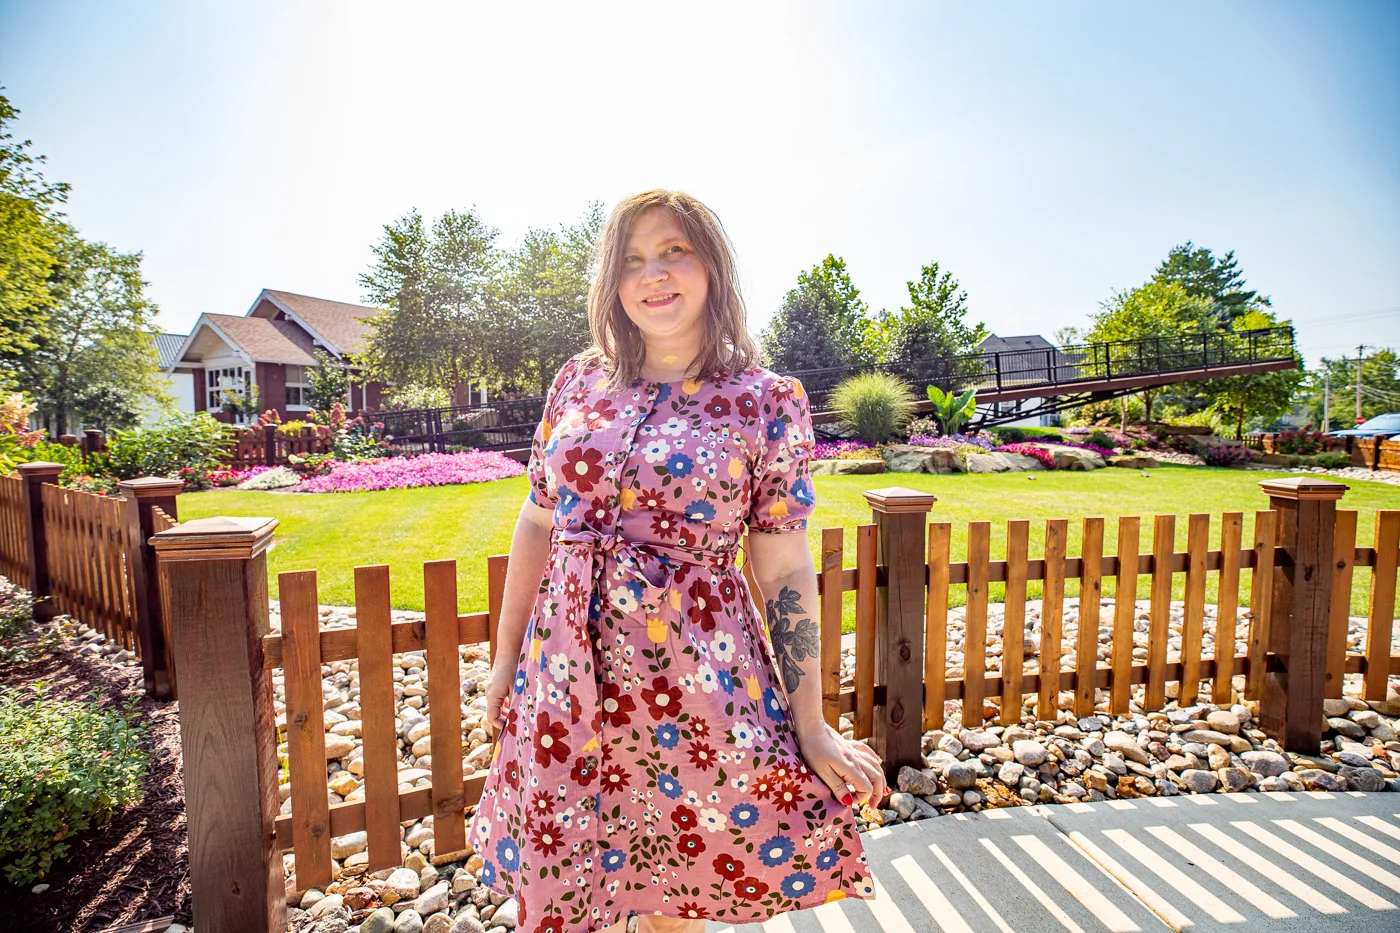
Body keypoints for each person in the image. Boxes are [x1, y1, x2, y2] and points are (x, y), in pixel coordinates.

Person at [472, 189, 885, 933]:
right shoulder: (576, 382)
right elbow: (537, 521)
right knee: (571, 869)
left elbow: (785, 565)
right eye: (631, 260)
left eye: (672, 251)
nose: (652, 275)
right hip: (565, 673)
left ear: (711, 268)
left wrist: (812, 720)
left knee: (679, 882)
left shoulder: (764, 399)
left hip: (691, 682)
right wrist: (505, 660)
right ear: (611, 281)